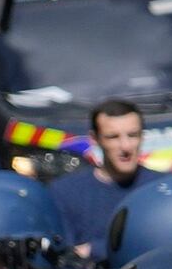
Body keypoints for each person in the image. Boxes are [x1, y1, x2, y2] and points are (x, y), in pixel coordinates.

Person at [48, 99, 158, 254]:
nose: (125, 146)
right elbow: (64, 263)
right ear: (95, 139)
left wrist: (93, 250)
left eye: (132, 135)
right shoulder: (65, 192)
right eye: (113, 137)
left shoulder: (162, 188)